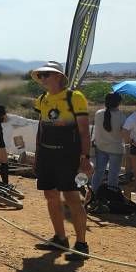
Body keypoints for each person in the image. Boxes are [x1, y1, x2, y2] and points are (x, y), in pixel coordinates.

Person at [31, 61, 90, 261]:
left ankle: (81, 244)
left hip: (68, 155)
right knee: (50, 195)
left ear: (58, 76)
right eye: (40, 75)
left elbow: (83, 131)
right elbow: (41, 128)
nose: (42, 78)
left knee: (72, 197)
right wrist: (37, 156)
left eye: (46, 74)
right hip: (47, 155)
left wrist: (85, 158)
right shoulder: (42, 100)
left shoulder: (74, 97)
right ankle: (60, 238)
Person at [91, 92, 125, 194]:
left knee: (98, 172)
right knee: (113, 175)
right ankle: (111, 196)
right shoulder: (122, 117)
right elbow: (124, 134)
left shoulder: (98, 113)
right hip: (116, 149)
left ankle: (94, 194)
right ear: (118, 103)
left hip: (100, 147)